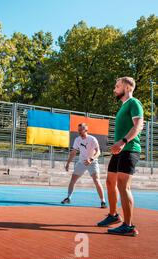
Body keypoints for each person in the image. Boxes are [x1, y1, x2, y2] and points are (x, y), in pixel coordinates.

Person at [97, 77, 144, 237]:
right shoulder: (123, 107)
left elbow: (139, 125)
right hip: (120, 150)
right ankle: (113, 215)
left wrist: (123, 141)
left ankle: (129, 226)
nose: (114, 89)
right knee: (110, 182)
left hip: (130, 149)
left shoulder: (134, 103)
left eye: (117, 86)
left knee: (123, 185)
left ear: (126, 87)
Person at [61, 123, 106, 208]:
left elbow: (98, 152)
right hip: (81, 162)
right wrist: (68, 163)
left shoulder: (92, 139)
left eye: (81, 130)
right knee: (73, 179)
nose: (79, 132)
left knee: (96, 180)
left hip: (92, 162)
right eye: (78, 130)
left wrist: (91, 159)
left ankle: (103, 201)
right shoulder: (77, 139)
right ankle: (68, 198)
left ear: (86, 130)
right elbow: (73, 152)